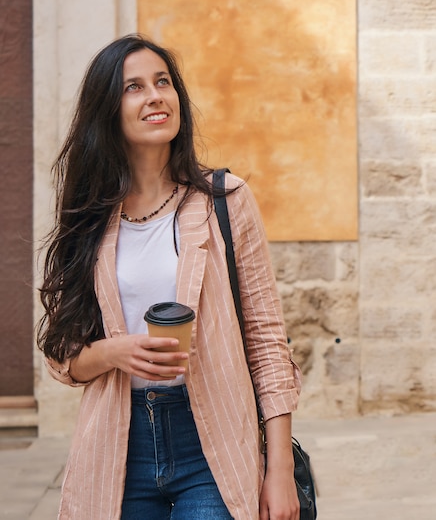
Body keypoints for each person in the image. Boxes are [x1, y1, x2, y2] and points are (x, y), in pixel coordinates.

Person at [37, 34, 301, 520]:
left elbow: (265, 338)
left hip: (214, 435)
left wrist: (278, 468)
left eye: (163, 82)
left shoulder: (225, 199)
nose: (155, 95)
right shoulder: (89, 217)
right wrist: (115, 351)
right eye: (133, 87)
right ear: (107, 112)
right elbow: (63, 356)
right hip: (120, 442)